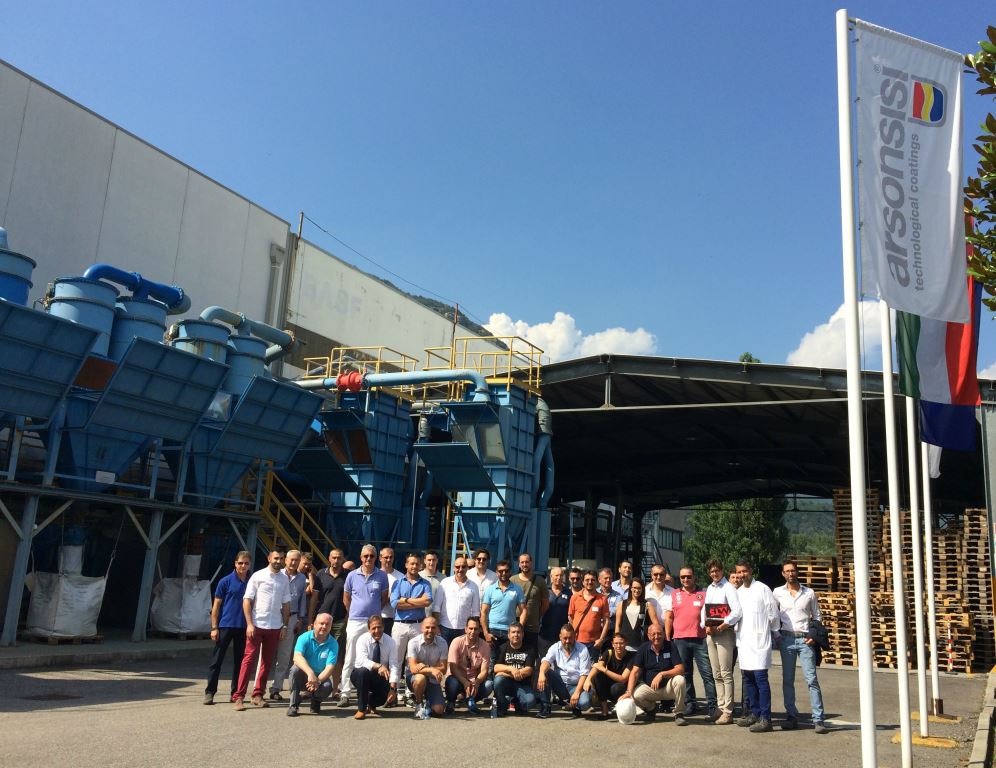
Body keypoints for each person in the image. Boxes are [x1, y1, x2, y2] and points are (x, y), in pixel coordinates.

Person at [773, 560, 828, 734]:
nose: (790, 574)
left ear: (797, 572)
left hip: (805, 640)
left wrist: (813, 635)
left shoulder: (809, 593)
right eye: (787, 571)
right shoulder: (777, 593)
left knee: (811, 679)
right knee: (788, 680)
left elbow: (817, 615)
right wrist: (777, 635)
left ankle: (818, 719)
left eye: (793, 570)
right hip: (787, 639)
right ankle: (791, 716)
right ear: (783, 574)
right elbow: (773, 614)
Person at [233, 550, 291, 711]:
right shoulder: (258, 576)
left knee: (267, 662)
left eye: (281, 558)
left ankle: (258, 695)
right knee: (248, 660)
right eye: (276, 558)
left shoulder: (284, 579)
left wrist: (285, 626)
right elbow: (247, 600)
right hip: (257, 624)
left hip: (275, 626)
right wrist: (249, 624)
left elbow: (286, 604)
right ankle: (239, 696)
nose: (278, 561)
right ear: (269, 558)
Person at [337, 544, 390, 707]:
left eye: (371, 556)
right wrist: (355, 611)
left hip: (373, 623)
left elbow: (384, 598)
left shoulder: (382, 576)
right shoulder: (352, 575)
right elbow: (346, 598)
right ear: (361, 557)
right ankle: (345, 692)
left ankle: (368, 690)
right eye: (366, 556)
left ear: (376, 558)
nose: (368, 558)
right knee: (350, 657)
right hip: (355, 621)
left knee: (372, 656)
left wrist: (373, 614)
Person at [734, 560, 779, 733]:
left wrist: (771, 631)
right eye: (739, 572)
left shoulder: (762, 589)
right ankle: (754, 713)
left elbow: (773, 614)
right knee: (748, 680)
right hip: (744, 642)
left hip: (759, 642)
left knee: (761, 679)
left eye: (744, 571)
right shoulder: (738, 592)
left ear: (751, 571)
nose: (742, 575)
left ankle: (766, 719)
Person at [204, 550, 250, 705]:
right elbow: (216, 606)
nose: (243, 566)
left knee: (240, 662)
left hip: (243, 627)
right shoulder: (225, 581)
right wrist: (214, 627)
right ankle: (210, 692)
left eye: (246, 563)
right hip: (225, 626)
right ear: (235, 564)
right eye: (240, 563)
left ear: (249, 565)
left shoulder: (252, 582)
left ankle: (235, 693)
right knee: (216, 661)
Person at [670, 566, 717, 717]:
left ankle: (712, 705)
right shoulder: (674, 594)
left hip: (700, 639)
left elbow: (711, 614)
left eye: (689, 576)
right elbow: (669, 616)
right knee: (686, 674)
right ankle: (690, 704)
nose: (686, 579)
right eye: (683, 577)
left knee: (707, 674)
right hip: (680, 639)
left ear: (694, 577)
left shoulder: (704, 594)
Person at [619, 623, 688, 725]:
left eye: (659, 633)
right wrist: (629, 692)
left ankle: (679, 713)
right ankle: (651, 709)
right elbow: (635, 672)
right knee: (634, 695)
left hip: (668, 688)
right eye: (653, 634)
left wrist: (662, 674)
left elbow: (680, 669)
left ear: (663, 634)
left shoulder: (671, 646)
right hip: (650, 688)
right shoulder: (643, 648)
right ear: (648, 635)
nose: (657, 637)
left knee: (680, 680)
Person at [703, 558, 742, 725]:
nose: (714, 573)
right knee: (716, 673)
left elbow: (737, 611)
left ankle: (728, 711)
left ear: (722, 570)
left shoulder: (728, 588)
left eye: (716, 570)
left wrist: (721, 626)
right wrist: (705, 625)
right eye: (711, 571)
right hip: (710, 633)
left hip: (724, 633)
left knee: (726, 673)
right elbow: (705, 610)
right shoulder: (709, 588)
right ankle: (720, 707)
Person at [390, 553, 433, 704]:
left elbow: (427, 601)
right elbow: (395, 604)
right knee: (396, 660)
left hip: (417, 625)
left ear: (420, 566)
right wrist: (417, 601)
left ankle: (410, 693)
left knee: (413, 661)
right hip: (399, 624)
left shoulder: (425, 583)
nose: (414, 566)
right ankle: (394, 692)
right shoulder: (398, 583)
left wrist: (406, 600)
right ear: (406, 565)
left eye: (417, 564)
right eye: (411, 563)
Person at [269, 549, 310, 701]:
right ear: (285, 560)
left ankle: (276, 688)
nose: (293, 563)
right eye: (291, 559)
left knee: (284, 655)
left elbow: (302, 599)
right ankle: (257, 689)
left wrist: (300, 618)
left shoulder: (302, 578)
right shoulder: (277, 575)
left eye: (296, 560)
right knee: (266, 654)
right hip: (274, 617)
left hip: (292, 617)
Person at [286, 612, 338, 717]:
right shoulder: (304, 637)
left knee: (327, 686)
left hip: (319, 677)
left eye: (327, 624)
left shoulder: (333, 643)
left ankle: (315, 700)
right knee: (294, 670)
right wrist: (310, 673)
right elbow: (297, 657)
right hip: (303, 675)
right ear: (314, 624)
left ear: (330, 627)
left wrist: (317, 681)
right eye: (321, 623)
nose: (324, 626)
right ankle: (293, 704)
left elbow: (330, 668)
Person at [350, 615, 400, 720]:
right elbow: (362, 660)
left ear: (383, 627)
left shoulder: (391, 642)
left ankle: (371, 703)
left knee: (386, 696)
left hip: (380, 676)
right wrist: (379, 666)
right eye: (373, 628)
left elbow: (394, 665)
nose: (377, 631)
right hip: (360, 675)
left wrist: (393, 689)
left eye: (379, 627)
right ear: (369, 629)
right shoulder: (362, 639)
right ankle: (361, 709)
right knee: (363, 672)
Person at [537, 623, 591, 718]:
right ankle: (546, 707)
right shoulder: (555, 647)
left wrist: (577, 693)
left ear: (575, 636)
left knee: (584, 703)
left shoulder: (583, 649)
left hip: (577, 685)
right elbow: (546, 661)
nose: (567, 641)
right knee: (546, 672)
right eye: (565, 638)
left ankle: (575, 706)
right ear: (560, 637)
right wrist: (541, 674)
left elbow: (584, 674)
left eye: (570, 638)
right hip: (560, 685)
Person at [313, 548, 348, 692]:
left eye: (339, 558)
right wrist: (311, 620)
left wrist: (347, 617)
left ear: (343, 559)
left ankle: (334, 689)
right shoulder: (321, 574)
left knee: (337, 655)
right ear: (329, 558)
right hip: (321, 620)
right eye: (334, 557)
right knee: (318, 652)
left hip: (339, 620)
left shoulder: (348, 576)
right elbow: (314, 598)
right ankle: (315, 684)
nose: (336, 560)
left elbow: (350, 598)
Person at [480, 560, 524, 667]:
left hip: (509, 631)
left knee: (508, 661)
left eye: (506, 571)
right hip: (493, 630)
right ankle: (490, 678)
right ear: (496, 573)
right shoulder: (490, 589)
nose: (503, 573)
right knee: (491, 661)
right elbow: (484, 612)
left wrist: (519, 628)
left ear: (510, 572)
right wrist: (486, 633)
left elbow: (524, 610)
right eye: (500, 571)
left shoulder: (517, 589)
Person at [444, 615, 492, 713]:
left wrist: (477, 682)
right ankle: (451, 701)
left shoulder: (485, 646)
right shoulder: (456, 642)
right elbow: (453, 668)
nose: (473, 631)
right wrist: (465, 682)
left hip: (474, 681)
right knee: (451, 682)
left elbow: (484, 671)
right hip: (457, 678)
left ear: (480, 630)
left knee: (489, 685)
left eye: (476, 629)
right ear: (466, 629)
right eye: (470, 628)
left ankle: (470, 700)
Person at [407, 616, 449, 719]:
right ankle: (419, 704)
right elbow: (413, 668)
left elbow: (443, 669)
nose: (430, 630)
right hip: (415, 678)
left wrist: (424, 667)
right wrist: (432, 669)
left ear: (437, 629)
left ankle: (428, 703)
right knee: (420, 678)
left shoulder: (443, 643)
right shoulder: (413, 642)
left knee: (439, 710)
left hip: (432, 680)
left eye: (433, 627)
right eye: (427, 627)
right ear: (421, 628)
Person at [433, 555, 481, 644]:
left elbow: (476, 612)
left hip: (464, 629)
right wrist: (437, 626)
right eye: (458, 567)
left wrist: (472, 629)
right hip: (444, 628)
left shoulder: (474, 586)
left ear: (467, 568)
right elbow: (436, 607)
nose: (460, 569)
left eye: (463, 567)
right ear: (453, 568)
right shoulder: (445, 583)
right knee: (444, 652)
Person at [585, 632, 634, 719]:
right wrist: (588, 679)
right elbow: (597, 667)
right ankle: (605, 711)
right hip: (611, 685)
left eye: (621, 643)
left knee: (616, 688)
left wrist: (604, 670)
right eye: (616, 643)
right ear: (612, 644)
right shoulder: (609, 652)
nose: (618, 646)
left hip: (624, 687)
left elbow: (623, 678)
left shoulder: (632, 656)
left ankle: (621, 708)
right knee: (598, 677)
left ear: (626, 643)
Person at [493, 622, 537, 716]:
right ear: (508, 635)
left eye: (518, 632)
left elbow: (529, 670)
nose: (516, 635)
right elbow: (496, 668)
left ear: (523, 634)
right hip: (507, 684)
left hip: (523, 684)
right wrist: (511, 669)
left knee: (530, 702)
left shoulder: (530, 649)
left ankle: (516, 702)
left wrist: (504, 673)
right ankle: (502, 706)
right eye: (513, 632)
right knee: (498, 680)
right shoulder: (502, 648)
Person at [512, 552, 548, 651]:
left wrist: (537, 616)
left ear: (531, 563)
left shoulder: (540, 581)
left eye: (527, 562)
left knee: (531, 653)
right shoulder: (512, 580)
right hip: (514, 626)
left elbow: (545, 604)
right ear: (519, 564)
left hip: (532, 626)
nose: (525, 564)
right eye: (522, 562)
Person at [569, 570, 609, 655]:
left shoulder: (603, 599)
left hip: (594, 643)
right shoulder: (575, 597)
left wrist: (601, 639)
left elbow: (606, 621)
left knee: (592, 664)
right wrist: (573, 633)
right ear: (583, 582)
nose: (590, 582)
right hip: (577, 641)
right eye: (587, 580)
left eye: (592, 580)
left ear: (597, 582)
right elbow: (570, 617)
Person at [615, 577, 659, 652]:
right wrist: (617, 640)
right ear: (630, 588)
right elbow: (618, 625)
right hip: (624, 645)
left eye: (639, 588)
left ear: (642, 589)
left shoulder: (647, 605)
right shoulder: (622, 604)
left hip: (642, 645)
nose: (637, 590)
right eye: (634, 588)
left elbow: (656, 624)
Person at [539, 566, 570, 659]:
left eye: (561, 575)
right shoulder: (544, 590)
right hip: (544, 634)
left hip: (561, 635)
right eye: (556, 575)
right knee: (544, 660)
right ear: (551, 576)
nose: (559, 578)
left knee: (560, 662)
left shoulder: (569, 593)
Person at [646, 564, 674, 640]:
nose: (658, 577)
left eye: (661, 574)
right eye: (655, 574)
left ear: (665, 576)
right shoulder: (645, 591)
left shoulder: (673, 592)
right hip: (651, 631)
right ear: (651, 575)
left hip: (670, 630)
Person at [378, 547, 401, 636]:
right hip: (377, 617)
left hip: (394, 618)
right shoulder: (374, 575)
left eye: (391, 557)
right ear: (380, 558)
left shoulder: (400, 577)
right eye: (386, 557)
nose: (389, 560)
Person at [419, 550, 442, 616]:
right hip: (419, 617)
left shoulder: (443, 578)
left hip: (437, 617)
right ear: (424, 561)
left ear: (437, 561)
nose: (431, 563)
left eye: (434, 560)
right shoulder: (418, 576)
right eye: (429, 560)